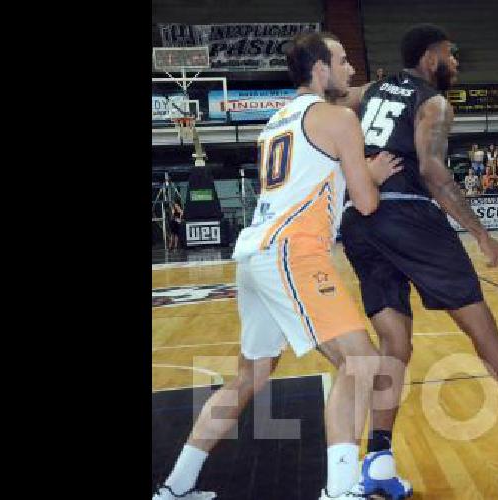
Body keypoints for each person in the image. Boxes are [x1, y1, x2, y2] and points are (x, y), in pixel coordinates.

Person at [334, 24, 498, 498]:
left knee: (394, 342)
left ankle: (379, 458)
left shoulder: (368, 91)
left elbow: (326, 106)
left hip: (358, 219)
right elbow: (431, 170)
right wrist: (482, 235)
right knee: (481, 326)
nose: (456, 63)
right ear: (431, 57)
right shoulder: (433, 101)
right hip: (408, 214)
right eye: (451, 55)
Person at [151, 32, 403, 500]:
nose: (350, 69)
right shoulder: (339, 119)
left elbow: (314, 170)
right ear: (320, 69)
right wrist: (372, 176)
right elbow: (365, 203)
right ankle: (342, 490)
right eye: (343, 60)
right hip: (292, 252)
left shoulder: (276, 121)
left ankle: (176, 487)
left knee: (249, 377)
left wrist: (372, 92)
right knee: (362, 360)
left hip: (256, 255)